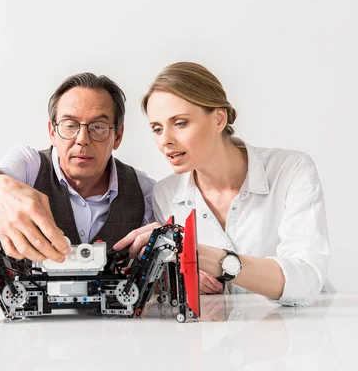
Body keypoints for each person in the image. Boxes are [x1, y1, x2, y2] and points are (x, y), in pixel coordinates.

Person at [114, 62, 331, 306]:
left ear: (219, 119)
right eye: (156, 128)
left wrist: (206, 257)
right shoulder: (166, 193)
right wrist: (182, 275)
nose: (165, 140)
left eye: (180, 123)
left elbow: (306, 279)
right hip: (223, 335)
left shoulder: (291, 170)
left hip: (305, 329)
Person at [0, 72, 156, 305]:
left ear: (118, 136)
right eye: (70, 125)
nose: (82, 139)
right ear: (52, 132)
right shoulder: (30, 166)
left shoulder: (144, 191)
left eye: (98, 127)